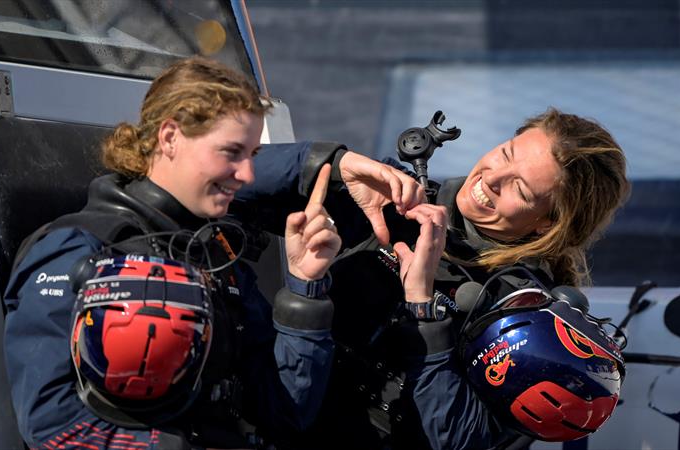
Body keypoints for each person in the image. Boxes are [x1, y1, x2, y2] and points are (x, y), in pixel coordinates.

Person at [230, 107, 630, 449]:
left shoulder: (525, 316)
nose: (493, 178)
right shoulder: (394, 199)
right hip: (259, 419)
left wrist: (424, 310)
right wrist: (330, 164)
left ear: (547, 225)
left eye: (519, 188)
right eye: (505, 154)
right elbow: (220, 177)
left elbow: (463, 441)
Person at [3, 57, 344, 449]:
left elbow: (286, 412)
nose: (248, 175)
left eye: (251, 155)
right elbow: (54, 425)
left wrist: (304, 287)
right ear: (169, 138)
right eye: (232, 152)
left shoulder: (219, 260)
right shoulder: (79, 248)